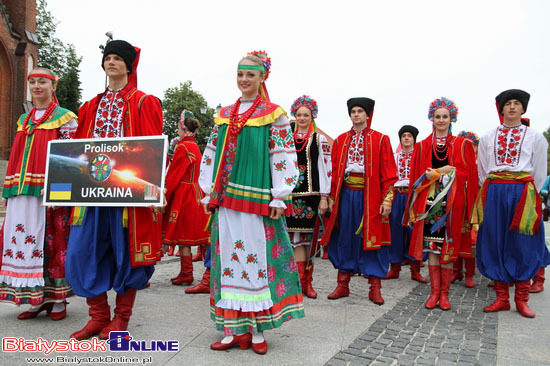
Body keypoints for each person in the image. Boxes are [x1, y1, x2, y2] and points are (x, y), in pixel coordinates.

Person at [198, 51, 304, 354]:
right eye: (240, 74)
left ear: (262, 78)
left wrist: (279, 195)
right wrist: (208, 190)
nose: (244, 80)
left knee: (255, 261)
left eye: (251, 75)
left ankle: (257, 331)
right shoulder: (224, 113)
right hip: (225, 198)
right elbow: (211, 153)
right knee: (228, 262)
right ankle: (232, 330)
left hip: (256, 198)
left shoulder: (274, 114)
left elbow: (281, 155)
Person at [66, 40, 164, 339]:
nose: (111, 62)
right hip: (91, 193)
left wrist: (155, 190)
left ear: (127, 65)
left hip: (127, 195)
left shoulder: (144, 102)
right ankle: (97, 316)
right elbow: (77, 149)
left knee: (127, 255)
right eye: (107, 58)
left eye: (117, 58)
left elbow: (151, 148)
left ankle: (121, 318)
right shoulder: (89, 105)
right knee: (81, 252)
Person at [0, 68, 77, 320]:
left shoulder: (65, 118)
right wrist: (8, 189)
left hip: (48, 190)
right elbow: (16, 156)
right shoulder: (25, 119)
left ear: (53, 86)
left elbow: (69, 155)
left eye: (42, 82)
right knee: (24, 241)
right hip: (21, 190)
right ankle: (34, 298)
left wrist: (57, 184)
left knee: (52, 240)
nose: (36, 86)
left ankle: (58, 299)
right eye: (32, 82)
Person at [474, 89, 550, 318]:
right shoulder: (488, 137)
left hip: (523, 192)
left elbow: (538, 171)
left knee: (524, 242)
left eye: (517, 103)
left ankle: (522, 299)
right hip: (495, 190)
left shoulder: (535, 137)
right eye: (508, 103)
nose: (512, 107)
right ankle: (501, 297)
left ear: (523, 108)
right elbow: (483, 169)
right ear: (501, 108)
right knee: (495, 240)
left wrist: (532, 196)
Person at [321, 97, 397, 305]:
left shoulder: (381, 139)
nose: (356, 114)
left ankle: (375, 287)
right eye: (353, 111)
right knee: (345, 236)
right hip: (346, 195)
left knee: (373, 239)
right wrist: (330, 198)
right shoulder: (340, 140)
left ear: (367, 114)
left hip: (370, 196)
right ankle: (342, 284)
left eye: (360, 111)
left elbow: (389, 174)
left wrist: (387, 200)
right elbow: (333, 171)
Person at [404, 97, 477, 311]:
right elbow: (414, 178)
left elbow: (469, 175)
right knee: (433, 248)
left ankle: (444, 294)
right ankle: (434, 292)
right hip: (429, 205)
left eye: (445, 116)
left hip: (452, 204)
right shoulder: (422, 145)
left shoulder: (463, 145)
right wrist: (428, 178)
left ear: (452, 118)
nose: (441, 120)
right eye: (438, 117)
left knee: (447, 247)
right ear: (432, 119)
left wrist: (447, 173)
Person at [286, 95, 331, 299]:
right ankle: (295, 283)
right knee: (292, 240)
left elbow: (325, 168)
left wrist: (324, 196)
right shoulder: (286, 139)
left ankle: (307, 283)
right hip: (290, 195)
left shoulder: (319, 139)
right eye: (299, 114)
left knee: (308, 240)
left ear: (312, 116)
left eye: (306, 115)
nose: (302, 118)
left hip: (311, 196)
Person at [163, 110, 209, 286]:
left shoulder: (182, 147)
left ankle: (187, 273)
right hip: (196, 192)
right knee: (186, 236)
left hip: (185, 194)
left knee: (183, 236)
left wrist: (165, 192)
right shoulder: (195, 146)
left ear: (184, 129)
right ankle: (185, 272)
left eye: (178, 128)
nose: (177, 131)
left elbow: (174, 174)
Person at [385, 125, 427, 283]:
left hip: (414, 196)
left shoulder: (420, 158)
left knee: (414, 232)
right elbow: (389, 179)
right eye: (404, 136)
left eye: (410, 135)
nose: (407, 138)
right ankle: (394, 268)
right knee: (395, 232)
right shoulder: (394, 157)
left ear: (414, 139)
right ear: (400, 139)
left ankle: (415, 270)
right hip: (397, 195)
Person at [450, 130, 481, 288]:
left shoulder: (479, 162)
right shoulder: (456, 161)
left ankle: (469, 274)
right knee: (456, 236)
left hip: (474, 203)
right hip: (457, 202)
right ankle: (456, 270)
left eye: (472, 145)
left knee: (470, 239)